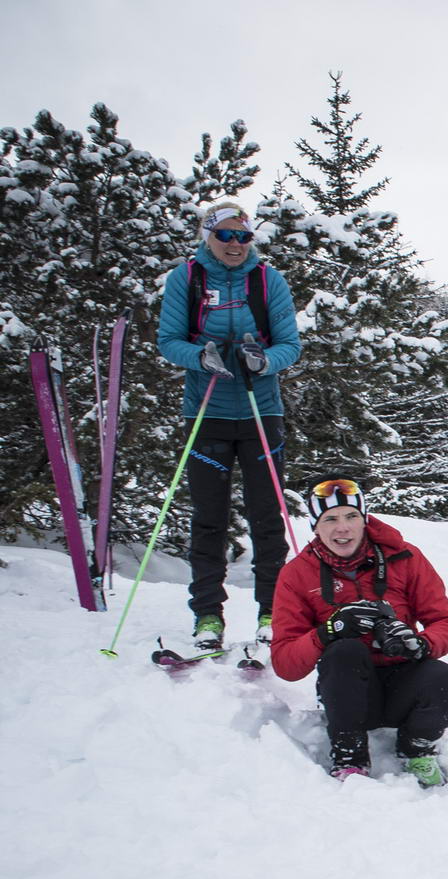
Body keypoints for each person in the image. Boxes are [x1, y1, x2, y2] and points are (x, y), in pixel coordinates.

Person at [156, 199, 302, 651]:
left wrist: (264, 360)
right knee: (209, 518)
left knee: (266, 516)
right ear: (209, 236)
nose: (236, 244)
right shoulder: (187, 278)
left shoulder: (266, 279)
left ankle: (272, 610)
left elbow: (290, 345)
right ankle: (207, 616)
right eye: (226, 235)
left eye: (243, 236)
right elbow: (168, 341)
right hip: (207, 411)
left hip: (262, 410)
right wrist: (201, 355)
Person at [269, 479, 448, 784]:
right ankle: (349, 754)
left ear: (364, 519)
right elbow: (285, 663)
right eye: (330, 519)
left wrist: (420, 644)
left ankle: (416, 748)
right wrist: (328, 632)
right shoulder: (297, 573)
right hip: (346, 690)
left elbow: (447, 621)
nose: (343, 528)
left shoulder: (404, 557)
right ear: (315, 527)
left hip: (403, 681)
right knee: (345, 651)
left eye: (351, 517)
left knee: (447, 682)